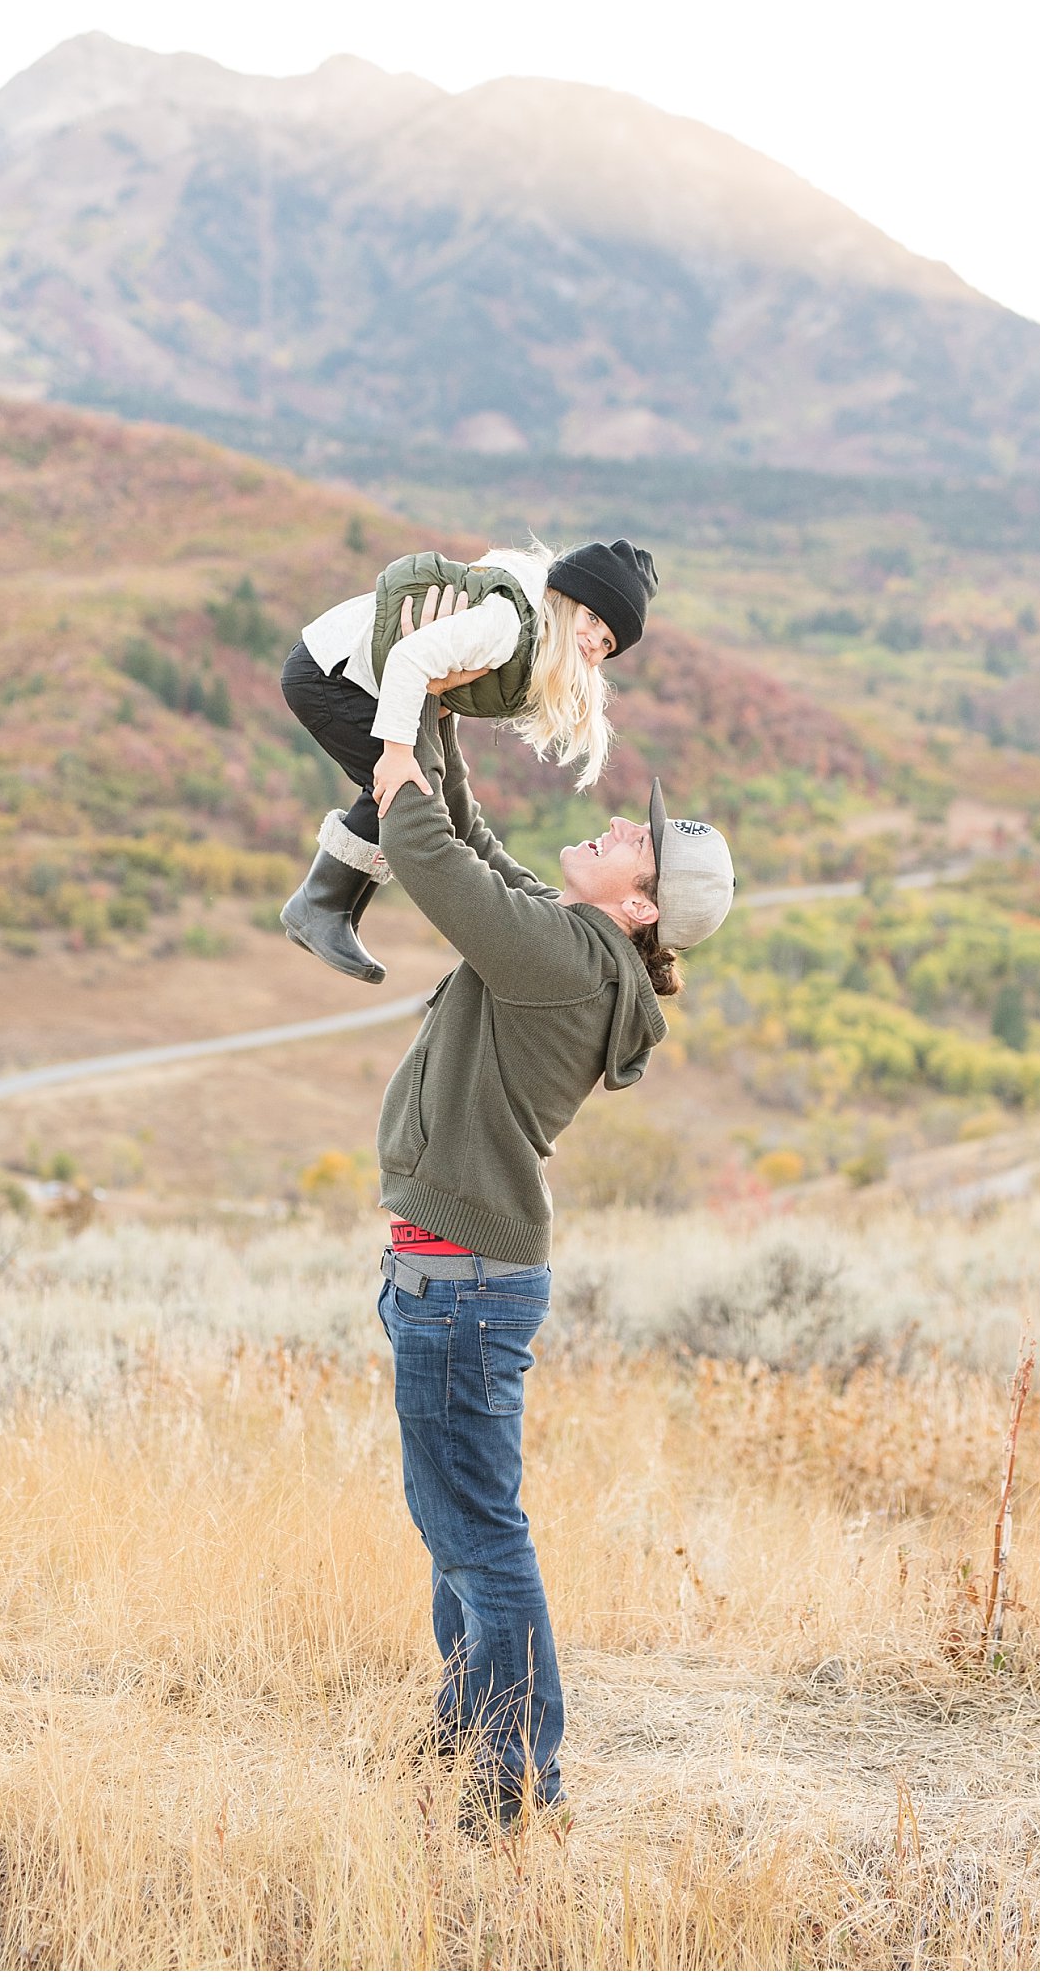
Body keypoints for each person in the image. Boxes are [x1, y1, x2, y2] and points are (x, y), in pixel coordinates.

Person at [372, 694, 735, 1835]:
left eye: (640, 837)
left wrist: (389, 744)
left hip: (462, 1284)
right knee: (456, 1527)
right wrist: (432, 727)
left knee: (478, 1534)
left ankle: (520, 1779)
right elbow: (475, 840)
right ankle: (466, 1737)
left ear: (638, 905)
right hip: (454, 1277)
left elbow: (428, 855)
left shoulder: (571, 962)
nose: (624, 818)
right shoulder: (574, 941)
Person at [278, 537, 658, 983]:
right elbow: (408, 658)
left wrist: (436, 712)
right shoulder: (508, 625)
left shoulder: (535, 643)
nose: (594, 640)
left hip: (357, 680)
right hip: (332, 676)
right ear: (564, 598)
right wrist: (398, 753)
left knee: (414, 790)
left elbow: (446, 677)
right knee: (402, 790)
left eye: (607, 642)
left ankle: (335, 911)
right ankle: (319, 906)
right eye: (592, 618)